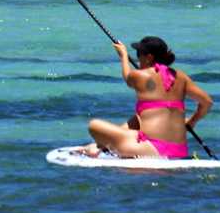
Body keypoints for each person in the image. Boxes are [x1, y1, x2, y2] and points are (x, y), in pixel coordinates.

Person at [80, 35, 212, 159]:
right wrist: (192, 122)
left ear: (149, 57)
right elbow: (207, 102)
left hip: (152, 150)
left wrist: (124, 56)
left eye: (139, 55)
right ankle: (99, 146)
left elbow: (128, 78)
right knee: (137, 119)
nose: (138, 59)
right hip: (180, 150)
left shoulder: (140, 75)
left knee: (94, 125)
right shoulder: (181, 76)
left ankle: (97, 148)